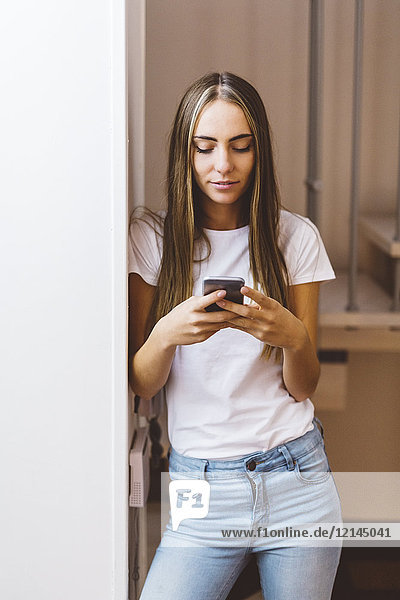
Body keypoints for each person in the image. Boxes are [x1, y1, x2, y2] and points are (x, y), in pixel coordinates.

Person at [128, 72, 342, 600]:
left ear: (259, 151)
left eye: (240, 146)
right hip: (200, 488)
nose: (223, 165)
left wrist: (293, 339)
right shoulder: (151, 239)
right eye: (206, 148)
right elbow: (142, 385)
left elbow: (304, 387)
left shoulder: (295, 238)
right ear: (186, 154)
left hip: (297, 477)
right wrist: (165, 336)